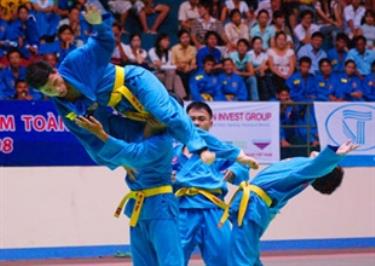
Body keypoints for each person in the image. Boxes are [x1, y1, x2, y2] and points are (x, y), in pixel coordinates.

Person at [26, 4, 215, 164]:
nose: (58, 91)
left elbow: (105, 42)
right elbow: (85, 137)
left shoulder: (75, 61)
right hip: (120, 104)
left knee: (163, 112)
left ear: (55, 71)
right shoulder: (62, 105)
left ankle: (199, 147)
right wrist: (117, 161)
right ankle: (150, 160)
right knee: (116, 135)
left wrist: (98, 24)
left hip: (133, 80)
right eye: (49, 91)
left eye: (55, 83)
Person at [224, 141, 358, 266]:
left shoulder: (306, 170)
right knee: (249, 256)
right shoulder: (301, 165)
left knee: (241, 257)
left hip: (253, 210)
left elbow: (319, 166)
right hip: (253, 208)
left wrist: (335, 157)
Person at [173, 101, 250, 266]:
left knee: (223, 259)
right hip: (181, 211)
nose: (196, 123)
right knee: (173, 260)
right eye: (192, 119)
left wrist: (235, 171)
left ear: (211, 122)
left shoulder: (222, 150)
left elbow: (242, 165)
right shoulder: (173, 152)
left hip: (214, 212)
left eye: (202, 119)